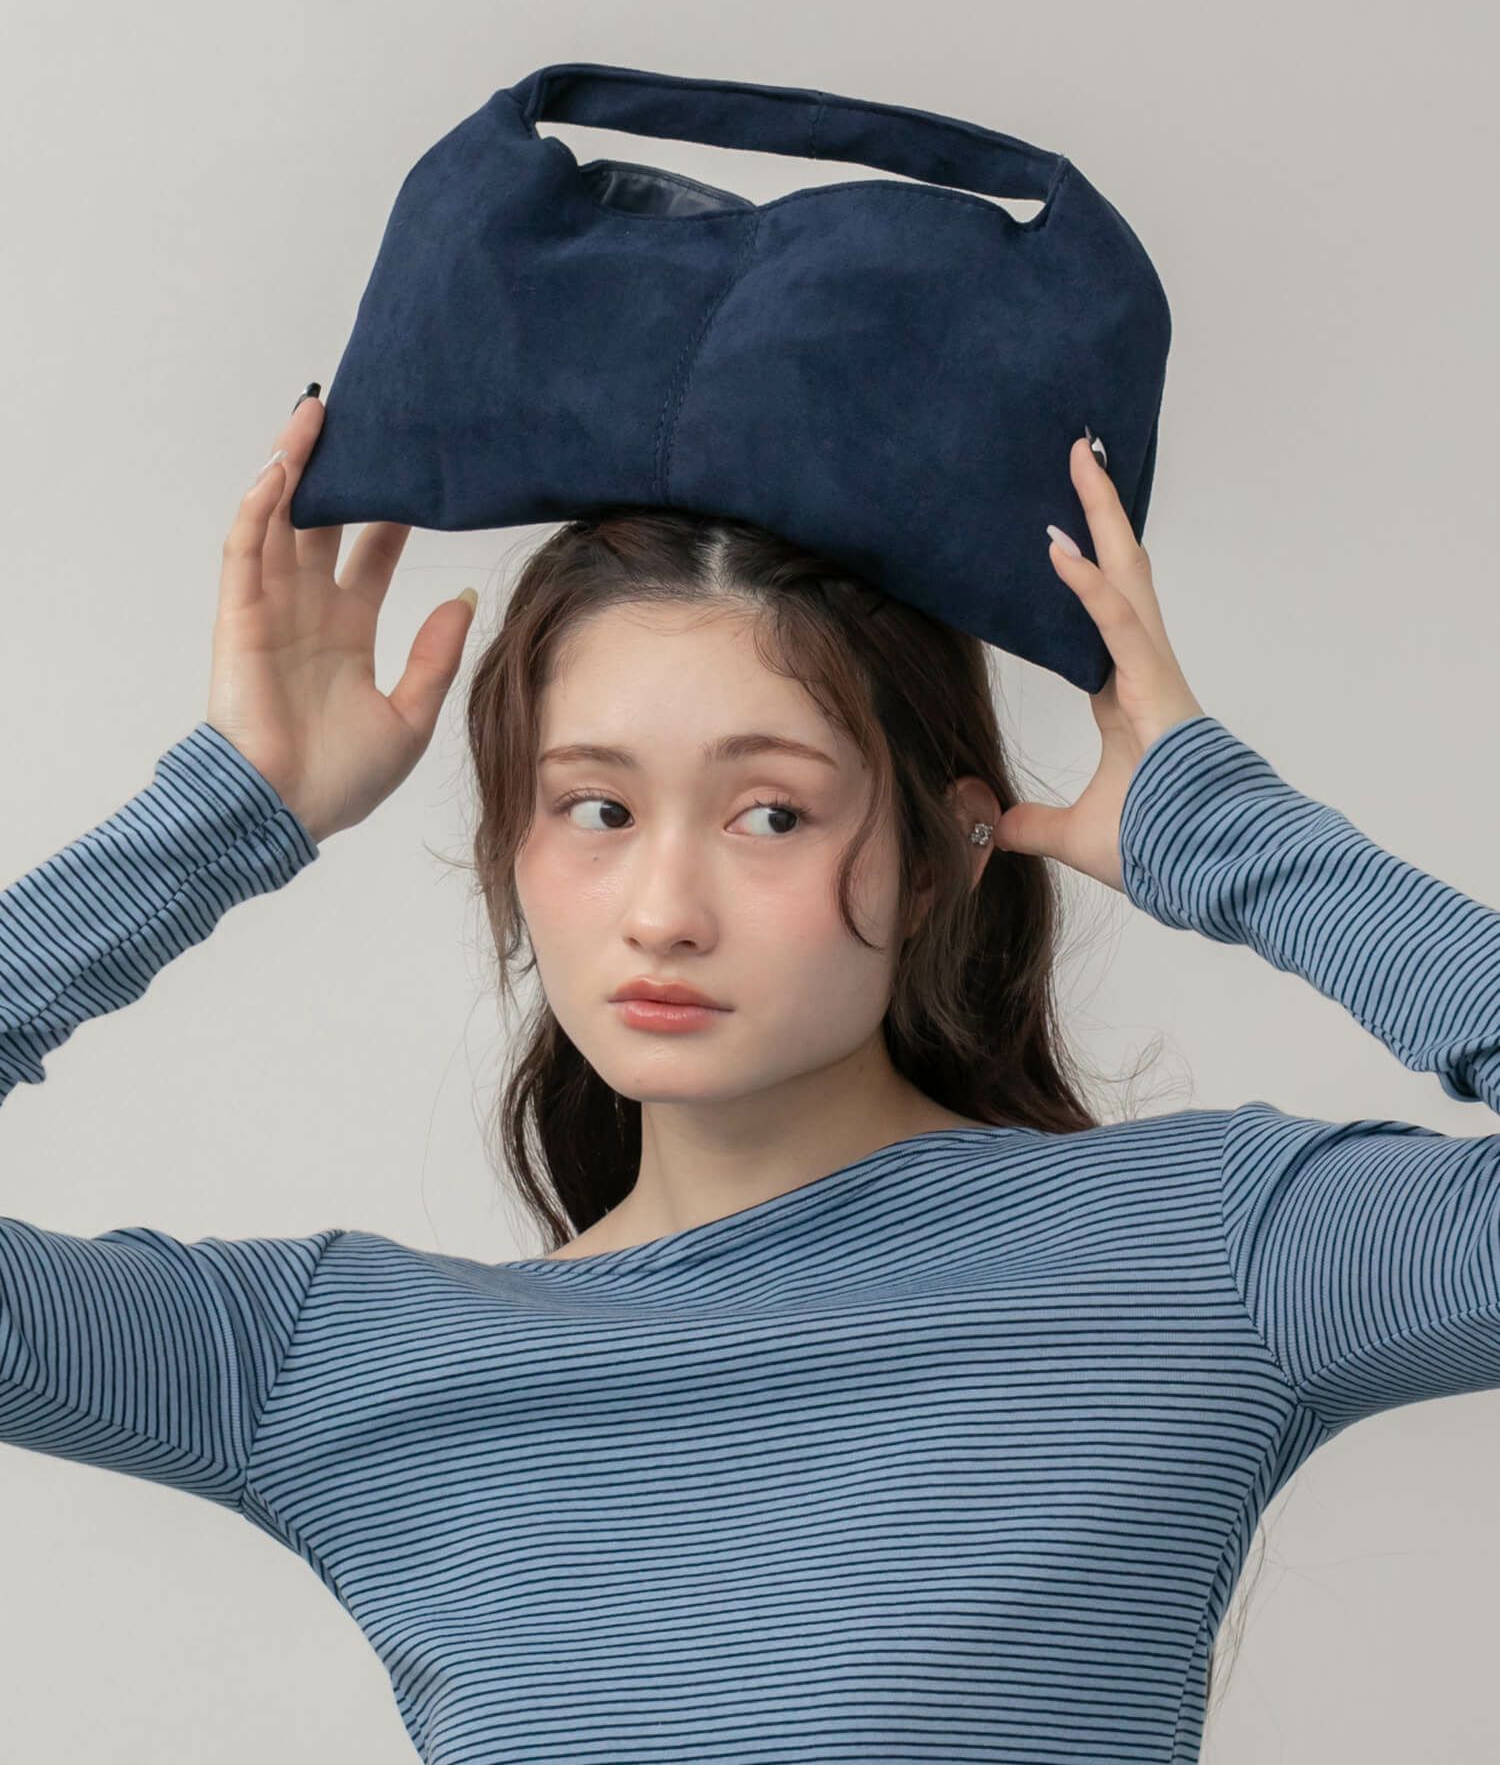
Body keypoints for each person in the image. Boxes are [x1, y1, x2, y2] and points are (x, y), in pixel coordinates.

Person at [3, 393, 1497, 1763]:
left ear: (940, 859)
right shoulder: (337, 1365)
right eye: (595, 808)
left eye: (770, 814)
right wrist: (226, 811)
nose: (662, 912)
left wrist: (1234, 836)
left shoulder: (1198, 1256)